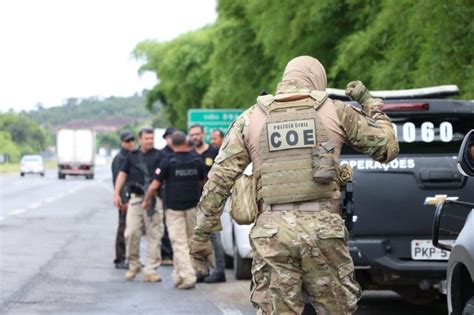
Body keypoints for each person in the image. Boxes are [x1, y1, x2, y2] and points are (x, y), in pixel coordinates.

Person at [190, 56, 399, 314]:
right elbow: (387, 148)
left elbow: (219, 180)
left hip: (272, 233)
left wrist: (200, 236)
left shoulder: (250, 118)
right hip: (324, 230)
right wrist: (370, 103)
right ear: (316, 80)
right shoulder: (336, 110)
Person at [142, 131, 205, 289]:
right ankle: (178, 276)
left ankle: (188, 276)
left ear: (172, 144)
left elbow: (155, 185)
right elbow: (206, 182)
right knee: (189, 242)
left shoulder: (167, 161)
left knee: (179, 243)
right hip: (193, 207)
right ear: (186, 142)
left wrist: (147, 200)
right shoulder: (197, 160)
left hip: (174, 209)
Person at [113, 127, 164, 283]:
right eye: (146, 138)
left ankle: (150, 269)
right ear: (140, 139)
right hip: (135, 199)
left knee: (154, 234)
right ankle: (133, 264)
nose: (149, 141)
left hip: (154, 200)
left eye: (151, 138)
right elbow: (122, 174)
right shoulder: (132, 156)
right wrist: (116, 193)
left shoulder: (160, 155)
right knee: (131, 232)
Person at [188, 124, 226, 283]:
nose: (195, 137)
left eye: (198, 134)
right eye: (192, 135)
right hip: (193, 201)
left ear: (203, 134)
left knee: (214, 236)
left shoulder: (213, 152)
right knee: (197, 237)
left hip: (211, 201)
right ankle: (201, 270)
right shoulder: (189, 154)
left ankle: (219, 271)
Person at [111, 131, 135, 269]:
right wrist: (123, 200)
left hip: (134, 197)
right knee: (123, 228)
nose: (131, 143)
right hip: (124, 198)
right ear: (122, 142)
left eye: (132, 140)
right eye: (128, 141)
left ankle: (131, 258)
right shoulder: (120, 158)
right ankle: (120, 259)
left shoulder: (132, 156)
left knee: (133, 230)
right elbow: (118, 181)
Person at [160, 127, 177, 266]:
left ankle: (177, 254)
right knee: (165, 225)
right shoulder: (161, 155)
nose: (171, 139)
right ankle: (166, 254)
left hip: (180, 194)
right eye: (169, 136)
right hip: (164, 193)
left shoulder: (183, 152)